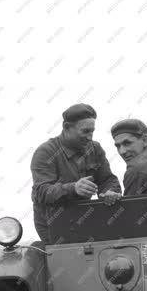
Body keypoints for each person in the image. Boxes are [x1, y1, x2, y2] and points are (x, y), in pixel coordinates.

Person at [31, 103, 122, 242]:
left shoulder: (94, 148)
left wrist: (109, 192)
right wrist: (73, 188)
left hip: (84, 216)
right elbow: (41, 191)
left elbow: (107, 179)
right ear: (67, 128)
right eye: (85, 131)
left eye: (92, 131)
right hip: (52, 224)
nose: (90, 137)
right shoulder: (45, 152)